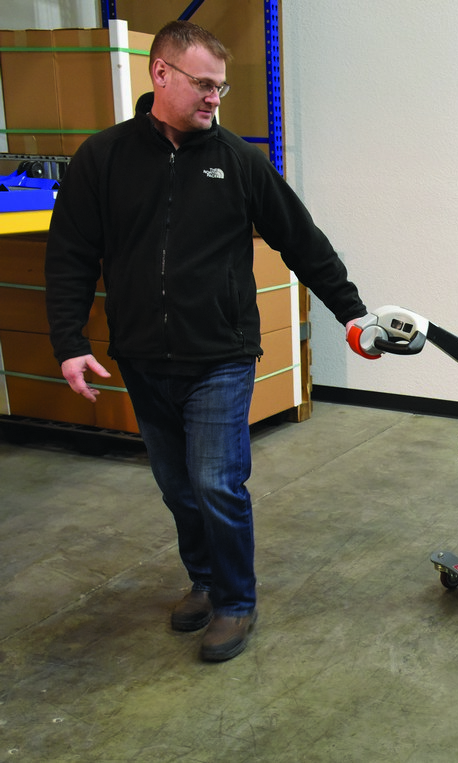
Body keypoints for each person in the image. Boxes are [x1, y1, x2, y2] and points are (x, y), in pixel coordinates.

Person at [44, 21, 370, 662]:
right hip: (142, 355)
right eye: (203, 84)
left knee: (217, 481)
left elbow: (302, 241)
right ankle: (204, 579)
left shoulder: (240, 162)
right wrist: (68, 340)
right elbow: (71, 254)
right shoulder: (103, 158)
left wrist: (352, 314)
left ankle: (236, 601)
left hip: (221, 353)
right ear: (160, 73)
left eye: (221, 87)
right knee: (177, 485)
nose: (215, 98)